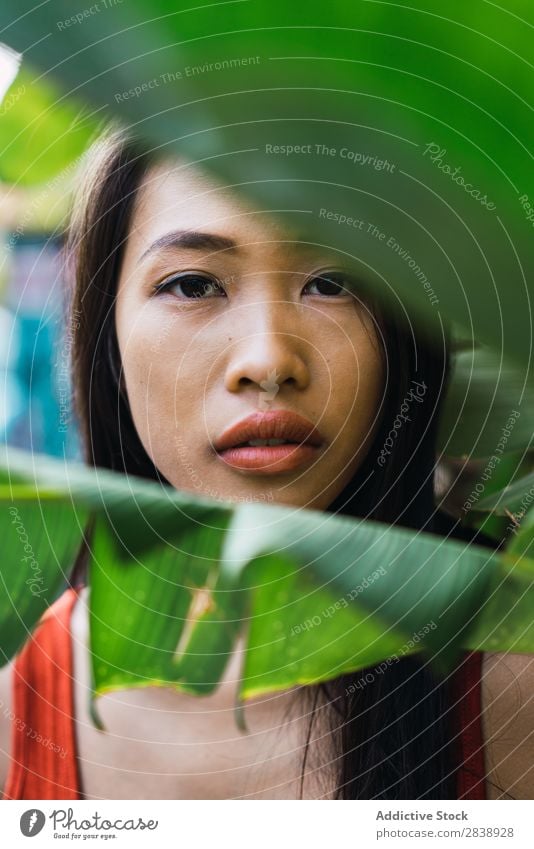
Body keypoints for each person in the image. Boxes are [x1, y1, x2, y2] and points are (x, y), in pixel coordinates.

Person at [1, 128, 532, 800]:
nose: (268, 361)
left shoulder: (509, 682)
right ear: (108, 334)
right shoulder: (17, 709)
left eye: (332, 282)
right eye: (193, 284)